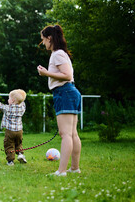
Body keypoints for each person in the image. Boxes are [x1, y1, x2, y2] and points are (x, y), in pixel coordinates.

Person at [37, 24, 82, 176]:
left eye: (43, 40)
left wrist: (46, 74)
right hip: (69, 92)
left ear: (49, 38)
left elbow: (67, 75)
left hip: (65, 92)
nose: (43, 43)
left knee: (66, 134)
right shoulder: (61, 54)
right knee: (72, 133)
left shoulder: (57, 54)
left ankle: (61, 171)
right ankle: (74, 169)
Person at [0, 89, 27, 166]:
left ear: (12, 100)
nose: (8, 100)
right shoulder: (22, 108)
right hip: (19, 131)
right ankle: (20, 154)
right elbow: (22, 101)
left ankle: (10, 161)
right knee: (19, 143)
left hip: (10, 131)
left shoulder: (7, 108)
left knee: (9, 145)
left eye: (9, 98)